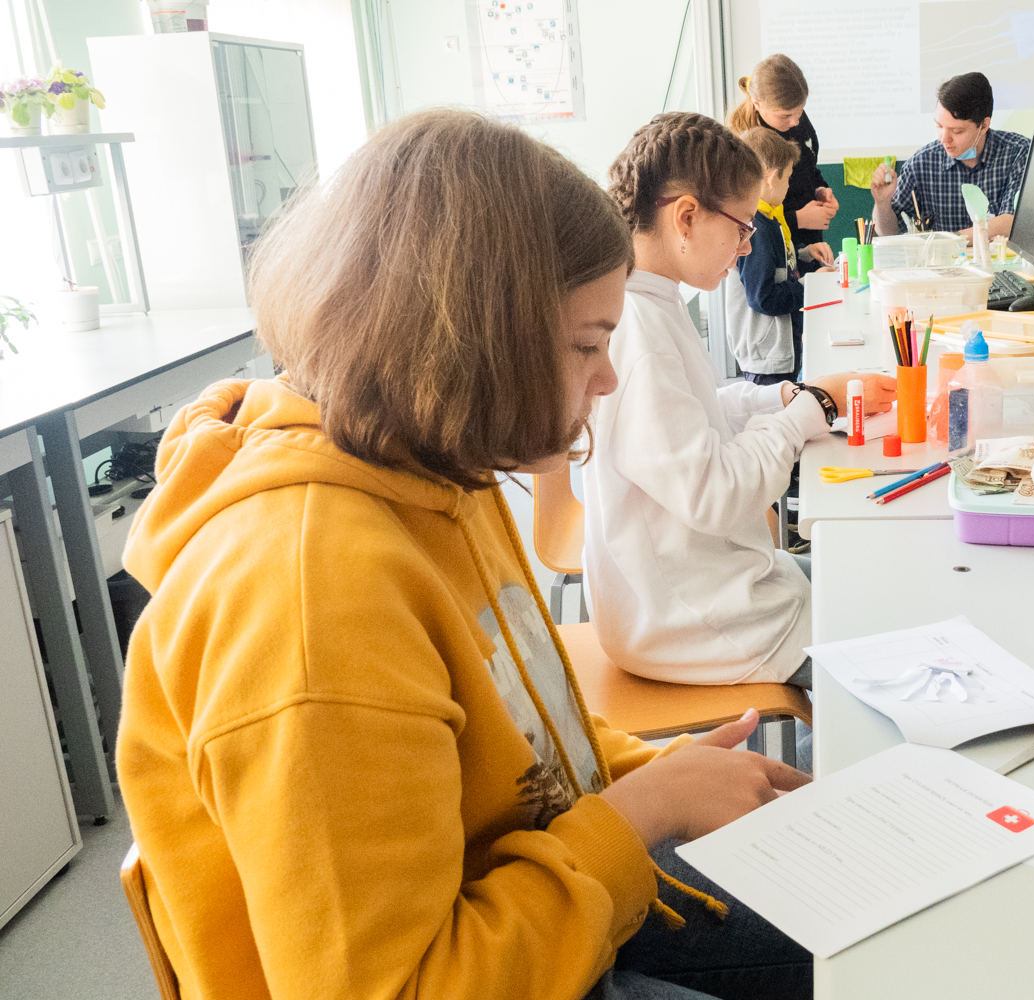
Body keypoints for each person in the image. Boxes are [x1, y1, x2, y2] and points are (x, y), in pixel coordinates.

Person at [115, 108, 814, 1000]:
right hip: (493, 956)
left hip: (543, 889)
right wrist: (648, 807)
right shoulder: (310, 604)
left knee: (850, 920)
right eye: (586, 346)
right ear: (476, 343)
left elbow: (527, 740)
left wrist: (660, 774)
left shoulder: (443, 469)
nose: (607, 380)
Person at [584, 112, 895, 688]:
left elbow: (696, 415)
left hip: (709, 584)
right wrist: (812, 411)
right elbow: (716, 493)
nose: (747, 244)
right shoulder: (638, 328)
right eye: (742, 227)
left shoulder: (652, 298)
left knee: (872, 576)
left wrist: (784, 396)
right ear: (686, 217)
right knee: (893, 636)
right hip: (690, 620)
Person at [726, 126, 832, 385]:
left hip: (777, 351)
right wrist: (811, 285)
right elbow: (764, 297)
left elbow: (777, 266)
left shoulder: (771, 217)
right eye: (788, 179)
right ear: (773, 178)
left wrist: (804, 254)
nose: (788, 186)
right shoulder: (757, 228)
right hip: (767, 358)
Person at [871, 71, 1030, 241]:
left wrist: (947, 240)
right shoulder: (921, 163)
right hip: (940, 258)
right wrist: (882, 203)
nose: (944, 139)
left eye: (957, 130)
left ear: (984, 125)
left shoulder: (1018, 152)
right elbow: (889, 233)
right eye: (939, 126)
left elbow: (1012, 222)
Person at [728, 54, 838, 258]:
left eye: (800, 111)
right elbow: (751, 221)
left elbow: (809, 168)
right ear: (757, 104)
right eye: (785, 115)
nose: (795, 121)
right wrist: (798, 219)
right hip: (775, 253)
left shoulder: (794, 118)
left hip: (806, 249)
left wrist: (820, 189)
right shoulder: (747, 146)